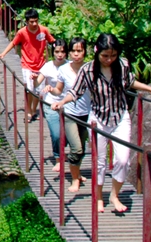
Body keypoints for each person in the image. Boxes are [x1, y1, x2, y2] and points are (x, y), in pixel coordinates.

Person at [53, 33, 151, 213]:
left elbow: (131, 82)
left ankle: (114, 195)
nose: (109, 59)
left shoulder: (122, 65)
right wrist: (62, 102)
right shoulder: (88, 70)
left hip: (120, 117)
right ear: (97, 52)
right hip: (98, 119)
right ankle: (99, 196)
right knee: (99, 162)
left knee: (123, 160)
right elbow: (75, 91)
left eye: (113, 55)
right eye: (105, 56)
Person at [0, 8, 54, 122]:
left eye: (36, 21)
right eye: (31, 22)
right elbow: (13, 43)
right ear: (27, 21)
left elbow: (53, 41)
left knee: (38, 91)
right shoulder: (22, 32)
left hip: (41, 65)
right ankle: (28, 111)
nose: (34, 24)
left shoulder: (44, 30)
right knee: (29, 90)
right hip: (27, 65)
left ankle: (33, 110)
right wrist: (3, 54)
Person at [50, 37, 91, 193]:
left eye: (79, 51)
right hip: (70, 114)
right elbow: (59, 90)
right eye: (73, 51)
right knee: (77, 149)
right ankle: (74, 180)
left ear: (84, 52)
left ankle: (77, 173)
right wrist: (51, 91)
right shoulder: (64, 70)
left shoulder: (90, 69)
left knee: (82, 147)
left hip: (87, 114)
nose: (76, 54)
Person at [35, 39, 68, 172]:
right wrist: (34, 79)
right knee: (56, 133)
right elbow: (37, 84)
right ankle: (58, 159)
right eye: (57, 52)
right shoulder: (48, 66)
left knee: (67, 134)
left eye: (63, 52)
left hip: (68, 104)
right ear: (52, 52)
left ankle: (65, 152)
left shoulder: (71, 66)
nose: (60, 55)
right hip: (50, 103)